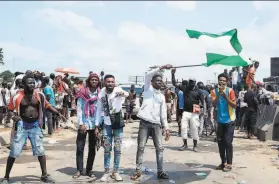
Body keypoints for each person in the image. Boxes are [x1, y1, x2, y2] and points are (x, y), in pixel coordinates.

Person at [1, 73, 64, 183]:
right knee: (14, 152)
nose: (32, 84)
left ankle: (44, 175)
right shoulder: (16, 96)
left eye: (33, 82)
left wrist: (58, 113)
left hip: (35, 126)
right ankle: (6, 177)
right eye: (29, 83)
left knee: (40, 151)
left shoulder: (39, 95)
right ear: (23, 84)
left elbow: (48, 106)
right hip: (22, 126)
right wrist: (13, 116)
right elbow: (10, 109)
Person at [130, 64, 171, 181]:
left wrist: (166, 127)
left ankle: (160, 171)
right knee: (141, 147)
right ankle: (138, 171)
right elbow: (147, 75)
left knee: (160, 148)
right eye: (157, 80)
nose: (159, 82)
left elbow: (163, 114)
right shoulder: (147, 89)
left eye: (160, 80)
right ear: (152, 82)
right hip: (145, 123)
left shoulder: (162, 97)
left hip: (156, 125)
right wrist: (162, 67)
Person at [95, 74, 129, 182]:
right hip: (107, 124)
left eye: (112, 82)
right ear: (105, 82)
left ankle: (116, 171)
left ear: (115, 82)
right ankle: (106, 172)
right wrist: (96, 125)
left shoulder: (118, 90)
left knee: (118, 149)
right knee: (107, 149)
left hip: (118, 123)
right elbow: (99, 110)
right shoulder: (101, 93)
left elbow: (127, 94)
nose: (110, 83)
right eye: (108, 81)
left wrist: (122, 93)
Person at [73, 73, 101, 179]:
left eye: (96, 80)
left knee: (92, 148)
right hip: (84, 123)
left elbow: (100, 111)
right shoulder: (82, 93)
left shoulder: (100, 94)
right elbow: (79, 108)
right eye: (92, 80)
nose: (94, 81)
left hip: (94, 124)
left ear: (98, 82)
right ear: (89, 81)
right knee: (80, 147)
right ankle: (79, 170)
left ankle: (89, 170)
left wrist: (97, 126)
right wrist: (81, 123)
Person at [172, 69, 205, 152]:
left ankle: (195, 146)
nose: (191, 83)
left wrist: (204, 110)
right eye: (190, 81)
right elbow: (174, 84)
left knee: (194, 129)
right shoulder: (185, 88)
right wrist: (173, 74)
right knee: (183, 128)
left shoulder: (199, 91)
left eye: (193, 81)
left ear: (195, 82)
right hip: (186, 112)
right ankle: (185, 144)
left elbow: (203, 101)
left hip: (194, 113)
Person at [211, 73, 236, 172]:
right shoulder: (214, 91)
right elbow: (214, 103)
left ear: (227, 82)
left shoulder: (230, 91)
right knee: (220, 142)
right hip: (219, 121)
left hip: (230, 120)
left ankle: (229, 164)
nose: (222, 82)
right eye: (220, 80)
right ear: (218, 81)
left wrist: (226, 97)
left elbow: (234, 105)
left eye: (224, 81)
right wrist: (219, 94)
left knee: (228, 142)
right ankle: (223, 162)